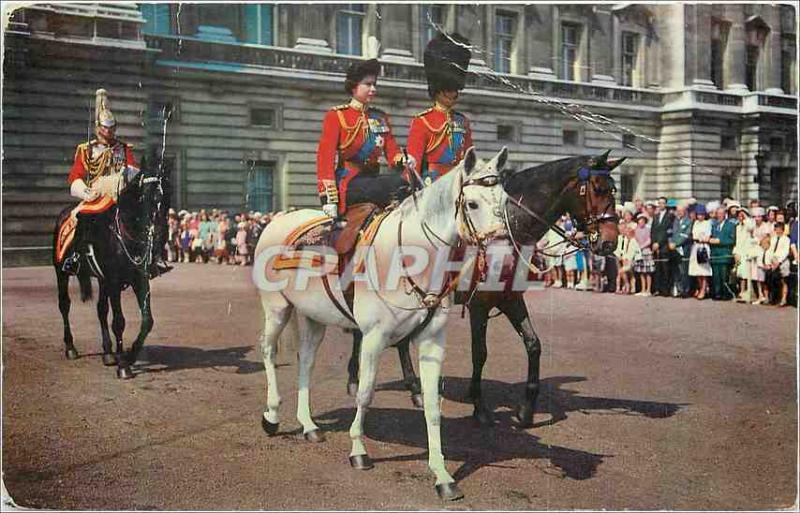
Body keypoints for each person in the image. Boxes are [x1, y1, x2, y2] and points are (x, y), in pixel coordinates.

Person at [61, 89, 170, 277]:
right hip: (95, 194)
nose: (109, 131)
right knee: (83, 217)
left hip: (119, 193)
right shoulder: (86, 150)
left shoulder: (123, 148)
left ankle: (153, 258)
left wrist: (126, 177)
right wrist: (84, 191)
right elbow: (75, 176)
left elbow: (134, 169)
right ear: (98, 127)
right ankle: (76, 257)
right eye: (105, 127)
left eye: (112, 128)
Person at [316, 58, 409, 219]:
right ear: (354, 86)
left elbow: (392, 152)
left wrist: (404, 160)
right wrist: (328, 198)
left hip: (374, 179)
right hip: (349, 182)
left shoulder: (380, 117)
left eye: (374, 84)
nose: (373, 89)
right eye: (368, 84)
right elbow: (325, 158)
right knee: (393, 185)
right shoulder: (337, 116)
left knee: (405, 184)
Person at [407, 32, 473, 185]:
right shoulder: (422, 121)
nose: (452, 93)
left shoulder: (462, 121)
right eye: (447, 89)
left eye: (454, 89)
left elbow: (470, 155)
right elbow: (414, 159)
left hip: (459, 180)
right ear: (437, 90)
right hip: (432, 181)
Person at [709, 206, 736, 300]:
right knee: (716, 276)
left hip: (724, 254)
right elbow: (711, 236)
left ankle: (726, 294)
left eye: (721, 214)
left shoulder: (731, 225)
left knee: (724, 276)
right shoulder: (714, 225)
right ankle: (717, 293)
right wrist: (710, 239)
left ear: (725, 214)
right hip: (715, 254)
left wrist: (720, 241)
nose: (719, 216)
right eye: (718, 214)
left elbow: (732, 240)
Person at [650, 196, 674, 296]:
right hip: (655, 246)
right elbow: (653, 231)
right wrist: (653, 242)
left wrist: (658, 243)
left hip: (664, 246)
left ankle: (666, 290)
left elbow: (667, 232)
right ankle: (657, 289)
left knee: (665, 269)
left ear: (666, 204)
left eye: (663, 203)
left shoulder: (669, 216)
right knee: (657, 269)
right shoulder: (655, 216)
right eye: (659, 203)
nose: (661, 205)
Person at [669, 204, 693, 298]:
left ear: (685, 211)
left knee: (684, 270)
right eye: (678, 210)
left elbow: (686, 235)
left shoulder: (689, 222)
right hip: (674, 249)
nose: (679, 212)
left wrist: (676, 243)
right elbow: (670, 233)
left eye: (681, 210)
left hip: (684, 248)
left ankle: (685, 290)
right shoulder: (675, 221)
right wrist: (670, 242)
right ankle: (678, 289)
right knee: (676, 270)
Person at [689, 204, 712, 300]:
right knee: (696, 270)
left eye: (702, 214)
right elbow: (694, 235)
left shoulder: (707, 223)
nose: (700, 216)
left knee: (703, 270)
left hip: (703, 247)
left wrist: (702, 238)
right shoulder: (695, 223)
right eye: (698, 214)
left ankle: (703, 289)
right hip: (696, 246)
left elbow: (707, 235)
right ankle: (701, 287)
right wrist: (697, 237)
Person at [764, 222, 791, 306]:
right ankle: (769, 298)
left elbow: (785, 252)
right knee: (768, 276)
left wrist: (778, 262)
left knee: (783, 279)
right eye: (776, 229)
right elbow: (770, 251)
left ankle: (783, 299)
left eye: (780, 229)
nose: (778, 231)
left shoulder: (786, 239)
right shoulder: (773, 238)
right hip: (773, 261)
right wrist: (768, 262)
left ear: (783, 230)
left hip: (782, 261)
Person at [733, 208, 754, 302]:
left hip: (747, 252)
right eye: (739, 216)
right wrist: (736, 252)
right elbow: (737, 241)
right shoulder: (738, 227)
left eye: (742, 215)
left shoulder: (748, 224)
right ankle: (741, 292)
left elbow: (751, 227)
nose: (740, 217)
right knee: (740, 273)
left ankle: (748, 293)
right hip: (740, 252)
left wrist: (745, 217)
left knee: (747, 274)